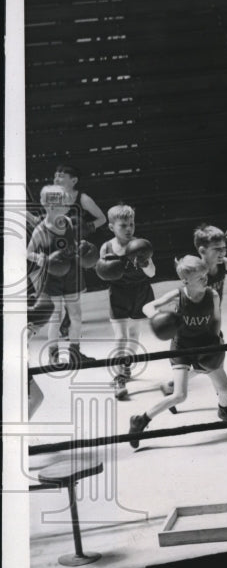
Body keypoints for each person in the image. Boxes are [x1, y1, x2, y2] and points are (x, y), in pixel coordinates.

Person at [130, 256, 227, 448]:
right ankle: (141, 420)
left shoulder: (213, 295)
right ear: (186, 281)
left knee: (225, 388)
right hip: (182, 347)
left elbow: (217, 319)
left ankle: (223, 410)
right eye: (200, 277)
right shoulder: (177, 296)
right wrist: (159, 318)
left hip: (205, 344)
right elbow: (147, 306)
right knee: (180, 395)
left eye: (205, 275)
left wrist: (216, 340)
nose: (205, 279)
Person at [26, 185, 97, 368]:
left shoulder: (70, 222)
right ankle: (54, 355)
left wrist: (81, 247)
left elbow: (73, 243)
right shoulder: (41, 230)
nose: (67, 205)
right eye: (63, 203)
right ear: (50, 206)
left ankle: (75, 353)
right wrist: (40, 259)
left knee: (76, 315)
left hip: (72, 274)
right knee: (55, 317)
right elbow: (27, 253)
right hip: (52, 277)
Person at [98, 204, 156, 400]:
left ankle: (125, 363)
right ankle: (118, 376)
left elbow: (152, 273)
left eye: (131, 224)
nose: (129, 228)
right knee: (121, 336)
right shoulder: (106, 247)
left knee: (134, 336)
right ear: (112, 227)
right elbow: (102, 273)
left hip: (141, 292)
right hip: (119, 293)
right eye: (123, 225)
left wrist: (145, 263)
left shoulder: (141, 245)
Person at [53, 164, 107, 338]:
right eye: (55, 175)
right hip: (58, 246)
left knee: (72, 287)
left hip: (77, 248)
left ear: (73, 180)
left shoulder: (83, 198)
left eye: (61, 175)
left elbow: (102, 218)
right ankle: (66, 321)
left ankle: (68, 322)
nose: (56, 178)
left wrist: (88, 227)